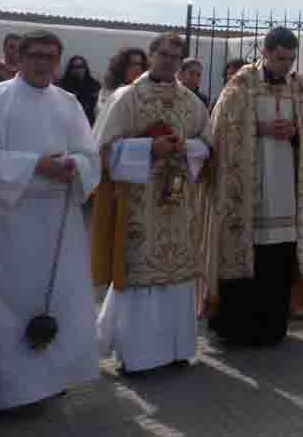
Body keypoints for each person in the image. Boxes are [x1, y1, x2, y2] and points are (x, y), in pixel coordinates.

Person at [0, 29, 101, 411]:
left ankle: (51, 381)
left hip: (59, 222)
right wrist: (36, 165)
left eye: (51, 56)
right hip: (10, 219)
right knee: (8, 304)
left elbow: (90, 155)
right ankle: (6, 392)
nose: (43, 63)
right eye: (36, 55)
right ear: (19, 57)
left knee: (58, 298)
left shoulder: (68, 102)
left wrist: (74, 166)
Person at [91, 33, 211, 373]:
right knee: (140, 276)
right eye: (165, 54)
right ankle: (139, 357)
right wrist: (148, 150)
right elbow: (101, 150)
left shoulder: (191, 102)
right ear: (152, 54)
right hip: (138, 206)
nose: (170, 61)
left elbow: (208, 145)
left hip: (178, 203)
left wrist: (187, 149)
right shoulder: (127, 97)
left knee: (177, 276)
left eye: (177, 56)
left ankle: (177, 350)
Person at [204, 27, 303, 345]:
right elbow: (221, 130)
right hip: (249, 195)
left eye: (291, 59)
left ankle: (272, 326)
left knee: (278, 261)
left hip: (285, 193)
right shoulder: (241, 85)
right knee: (247, 255)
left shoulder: (297, 88)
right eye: (281, 58)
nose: (286, 65)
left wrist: (295, 133)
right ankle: (237, 327)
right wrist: (260, 128)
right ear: (265, 53)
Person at [98, 47, 148, 121]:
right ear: (121, 66)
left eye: (140, 64)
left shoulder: (147, 89)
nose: (137, 68)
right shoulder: (110, 92)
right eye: (132, 64)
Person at [58, 56, 101, 126]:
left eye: (80, 66)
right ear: (70, 69)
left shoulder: (94, 86)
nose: (78, 70)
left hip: (89, 124)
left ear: (85, 68)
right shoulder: (62, 87)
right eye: (74, 67)